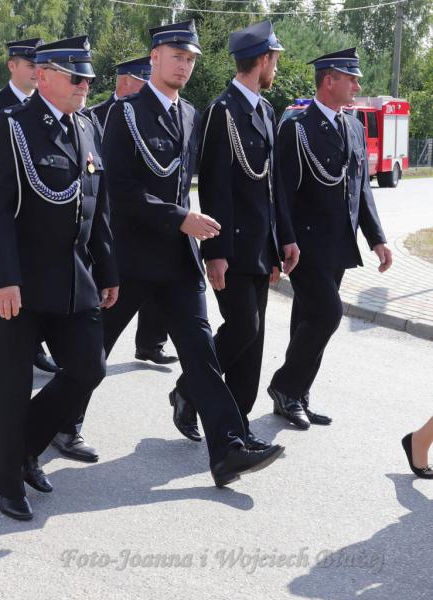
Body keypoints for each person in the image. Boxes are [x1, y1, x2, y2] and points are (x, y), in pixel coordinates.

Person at [99, 20, 285, 487]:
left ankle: (227, 450)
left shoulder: (190, 115)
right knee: (89, 355)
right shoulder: (124, 114)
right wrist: (182, 219)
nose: (183, 65)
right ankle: (56, 424)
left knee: (201, 356)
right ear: (154, 57)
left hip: (177, 260)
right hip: (131, 257)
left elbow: (192, 182)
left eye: (190, 59)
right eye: (176, 56)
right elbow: (120, 190)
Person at [0, 36, 118, 520]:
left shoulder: (88, 126)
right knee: (11, 387)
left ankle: (25, 448)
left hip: (73, 278)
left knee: (88, 368)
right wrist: (3, 279)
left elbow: (98, 207)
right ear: (43, 76)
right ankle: (7, 484)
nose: (85, 86)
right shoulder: (11, 125)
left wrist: (108, 270)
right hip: (17, 281)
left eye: (88, 79)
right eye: (76, 77)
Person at [172, 20, 298, 449]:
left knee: (254, 337)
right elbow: (214, 186)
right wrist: (216, 252)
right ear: (262, 60)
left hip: (261, 245)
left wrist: (285, 240)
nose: (276, 67)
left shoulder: (265, 111)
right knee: (243, 327)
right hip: (231, 244)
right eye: (274, 60)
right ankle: (189, 389)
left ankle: (238, 425)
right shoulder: (222, 111)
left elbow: (273, 185)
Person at [268, 47, 391, 429]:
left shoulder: (353, 127)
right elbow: (282, 193)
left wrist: (377, 239)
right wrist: (282, 243)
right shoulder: (298, 128)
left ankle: (297, 396)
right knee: (327, 314)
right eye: (351, 78)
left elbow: (361, 189)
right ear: (329, 80)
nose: (357, 86)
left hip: (339, 244)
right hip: (304, 245)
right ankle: (285, 386)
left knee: (307, 318)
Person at [0, 37, 59, 375]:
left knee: (32, 280)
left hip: (39, 215)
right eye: (31, 65)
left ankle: (33, 346)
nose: (37, 71)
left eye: (41, 66)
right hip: (5, 211)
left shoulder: (48, 105)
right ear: (12, 65)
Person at [86, 56, 177, 366]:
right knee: (111, 284)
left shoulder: (153, 113)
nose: (149, 85)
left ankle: (151, 342)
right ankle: (83, 355)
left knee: (157, 282)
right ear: (125, 81)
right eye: (143, 79)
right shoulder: (96, 114)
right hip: (107, 207)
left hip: (146, 209)